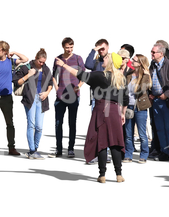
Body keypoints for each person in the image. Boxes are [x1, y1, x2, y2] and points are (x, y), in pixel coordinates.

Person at [56, 52, 129, 183]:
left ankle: (102, 175)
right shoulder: (120, 78)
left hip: (101, 109)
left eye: (106, 58)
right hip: (114, 111)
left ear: (111, 62)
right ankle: (119, 174)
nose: (103, 59)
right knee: (115, 142)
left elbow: (80, 74)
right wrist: (123, 113)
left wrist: (64, 65)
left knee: (102, 141)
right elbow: (125, 99)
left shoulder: (100, 75)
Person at [0, 41, 28, 156]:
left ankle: (11, 147)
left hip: (7, 97)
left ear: (5, 51)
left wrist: (14, 52)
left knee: (9, 123)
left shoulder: (11, 61)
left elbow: (25, 59)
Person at [13, 48, 53, 159]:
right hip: (30, 99)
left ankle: (35, 149)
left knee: (39, 127)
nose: (42, 64)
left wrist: (47, 92)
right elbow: (16, 82)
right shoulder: (26, 67)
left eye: (43, 62)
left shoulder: (46, 69)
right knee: (31, 124)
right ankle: (31, 150)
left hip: (42, 98)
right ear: (35, 59)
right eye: (40, 61)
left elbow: (50, 83)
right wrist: (28, 75)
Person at [51, 37, 85, 158]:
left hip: (74, 96)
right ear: (63, 47)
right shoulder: (58, 59)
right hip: (60, 96)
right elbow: (53, 76)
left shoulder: (77, 58)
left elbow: (84, 76)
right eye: (67, 47)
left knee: (72, 123)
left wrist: (79, 86)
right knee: (58, 123)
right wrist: (56, 88)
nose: (69, 49)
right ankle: (58, 149)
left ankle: (71, 148)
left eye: (71, 47)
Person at [149, 43, 169, 162]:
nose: (151, 54)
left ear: (161, 53)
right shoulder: (152, 65)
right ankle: (163, 151)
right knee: (159, 128)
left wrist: (165, 95)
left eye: (153, 52)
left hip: (166, 100)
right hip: (156, 100)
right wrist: (151, 94)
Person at [124, 54, 152, 164]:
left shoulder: (145, 76)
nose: (132, 61)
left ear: (140, 63)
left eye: (134, 60)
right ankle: (128, 154)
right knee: (128, 133)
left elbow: (140, 90)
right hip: (128, 106)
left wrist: (143, 77)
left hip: (140, 107)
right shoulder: (129, 74)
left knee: (142, 134)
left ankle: (144, 154)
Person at [85, 39, 109, 109]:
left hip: (110, 98)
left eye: (103, 49)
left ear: (108, 47)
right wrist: (94, 50)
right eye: (99, 49)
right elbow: (87, 65)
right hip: (96, 97)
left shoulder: (113, 61)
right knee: (95, 119)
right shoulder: (97, 62)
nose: (101, 51)